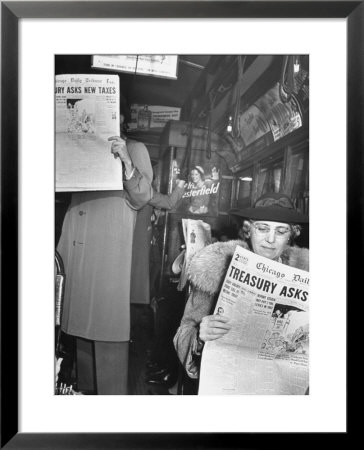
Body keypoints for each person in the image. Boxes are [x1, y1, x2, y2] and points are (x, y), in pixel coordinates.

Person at [57, 111, 153, 395]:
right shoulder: (75, 146)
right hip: (76, 255)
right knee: (80, 347)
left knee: (108, 352)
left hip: (107, 261)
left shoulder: (134, 148)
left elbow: (143, 195)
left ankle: (111, 426)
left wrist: (126, 160)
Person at [173, 192, 309, 391]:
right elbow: (182, 334)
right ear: (248, 230)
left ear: (291, 235)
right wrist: (200, 337)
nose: (270, 239)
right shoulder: (215, 269)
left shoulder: (308, 274)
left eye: (280, 231)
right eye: (262, 228)